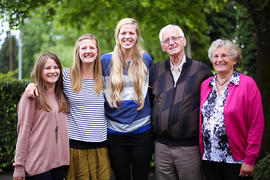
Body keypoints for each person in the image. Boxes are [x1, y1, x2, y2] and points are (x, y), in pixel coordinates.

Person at [25, 34, 111, 180]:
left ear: (97, 52)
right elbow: (47, 83)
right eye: (83, 48)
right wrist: (31, 85)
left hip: (101, 145)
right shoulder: (66, 75)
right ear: (77, 52)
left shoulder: (104, 78)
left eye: (92, 47)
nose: (88, 51)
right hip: (75, 145)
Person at [149, 24, 212, 180]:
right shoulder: (155, 70)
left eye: (175, 38)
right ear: (163, 46)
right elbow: (150, 101)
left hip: (189, 148)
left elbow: (210, 106)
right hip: (161, 147)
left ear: (183, 41)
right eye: (166, 40)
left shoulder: (201, 70)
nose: (171, 42)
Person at [199, 39, 264, 180]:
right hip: (209, 158)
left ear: (234, 60)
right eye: (215, 56)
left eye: (224, 56)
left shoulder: (247, 84)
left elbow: (256, 125)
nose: (219, 60)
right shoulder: (206, 85)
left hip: (236, 161)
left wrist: (250, 159)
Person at [101, 18, 154, 180]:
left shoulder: (146, 60)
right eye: (123, 33)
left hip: (142, 131)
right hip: (115, 132)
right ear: (117, 36)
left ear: (137, 36)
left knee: (141, 176)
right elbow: (84, 78)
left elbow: (153, 92)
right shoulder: (105, 61)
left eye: (131, 33)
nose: (127, 36)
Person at [13, 52, 70, 180]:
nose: (53, 71)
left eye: (56, 67)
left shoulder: (62, 95)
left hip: (60, 165)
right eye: (47, 68)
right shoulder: (31, 96)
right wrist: (19, 166)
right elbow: (23, 131)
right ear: (40, 71)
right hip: (37, 166)